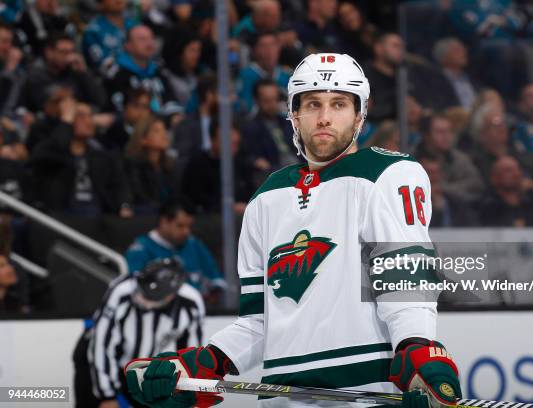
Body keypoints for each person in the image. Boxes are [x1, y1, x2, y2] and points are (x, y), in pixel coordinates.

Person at [125, 53, 461, 408]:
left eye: (339, 104)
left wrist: (416, 345)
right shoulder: (266, 198)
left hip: (366, 395)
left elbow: (404, 280)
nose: (325, 117)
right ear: (294, 113)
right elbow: (260, 319)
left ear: (360, 113)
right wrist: (209, 362)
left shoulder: (388, 174)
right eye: (312, 103)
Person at [72, 257, 206, 408]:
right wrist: (107, 395)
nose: (141, 299)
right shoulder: (121, 291)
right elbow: (102, 345)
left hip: (143, 367)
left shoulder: (191, 303)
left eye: (150, 297)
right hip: (97, 359)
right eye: (141, 292)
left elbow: (191, 354)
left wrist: (189, 394)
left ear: (171, 296)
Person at [124, 198, 226, 305]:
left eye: (189, 226)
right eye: (180, 226)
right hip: (157, 314)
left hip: (198, 312)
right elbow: (135, 289)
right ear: (164, 222)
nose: (186, 231)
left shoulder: (194, 244)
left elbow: (215, 281)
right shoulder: (141, 249)